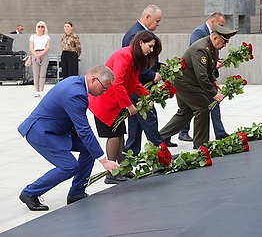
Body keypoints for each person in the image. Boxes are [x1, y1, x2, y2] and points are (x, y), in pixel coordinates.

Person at [18, 65, 120, 211]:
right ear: (93, 80)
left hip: (56, 129)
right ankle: (29, 193)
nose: (104, 92)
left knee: (88, 149)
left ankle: (76, 193)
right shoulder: (75, 93)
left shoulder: (76, 83)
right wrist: (104, 161)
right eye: (104, 88)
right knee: (69, 166)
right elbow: (85, 130)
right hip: (40, 132)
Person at [89, 30, 162, 184]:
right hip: (106, 102)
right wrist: (128, 105)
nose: (151, 50)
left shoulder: (134, 58)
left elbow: (134, 82)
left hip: (115, 103)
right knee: (114, 135)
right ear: (141, 42)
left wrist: (146, 94)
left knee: (120, 134)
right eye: (150, 46)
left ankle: (122, 169)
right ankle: (112, 172)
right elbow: (117, 83)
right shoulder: (125, 56)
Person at [159, 23, 237, 150]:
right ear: (215, 37)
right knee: (202, 107)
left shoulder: (210, 47)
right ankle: (201, 144)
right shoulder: (201, 49)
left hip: (186, 81)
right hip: (184, 82)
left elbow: (208, 68)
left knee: (185, 112)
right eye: (223, 42)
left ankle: (160, 138)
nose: (224, 46)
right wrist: (214, 93)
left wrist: (213, 80)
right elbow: (201, 75)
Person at [121, 5, 167, 156]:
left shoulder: (141, 33)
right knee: (150, 122)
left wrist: (159, 67)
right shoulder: (134, 35)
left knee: (135, 128)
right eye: (157, 21)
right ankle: (161, 155)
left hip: (138, 88)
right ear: (148, 17)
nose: (158, 24)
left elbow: (147, 60)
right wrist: (151, 75)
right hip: (137, 88)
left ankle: (129, 157)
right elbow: (136, 65)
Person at [178, 12, 229, 142]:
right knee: (195, 108)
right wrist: (212, 68)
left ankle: (217, 132)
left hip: (204, 75)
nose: (222, 27)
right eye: (221, 24)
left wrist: (213, 78)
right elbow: (199, 59)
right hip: (192, 78)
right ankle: (187, 135)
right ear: (213, 22)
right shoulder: (199, 33)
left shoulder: (214, 35)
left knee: (202, 106)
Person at [29, 21, 50, 97]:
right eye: (39, 26)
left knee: (42, 74)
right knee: (36, 74)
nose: (40, 28)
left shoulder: (47, 37)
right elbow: (31, 47)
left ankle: (41, 90)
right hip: (35, 53)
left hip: (43, 54)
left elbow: (47, 47)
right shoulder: (33, 36)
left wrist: (40, 55)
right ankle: (36, 90)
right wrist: (36, 56)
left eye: (42, 26)